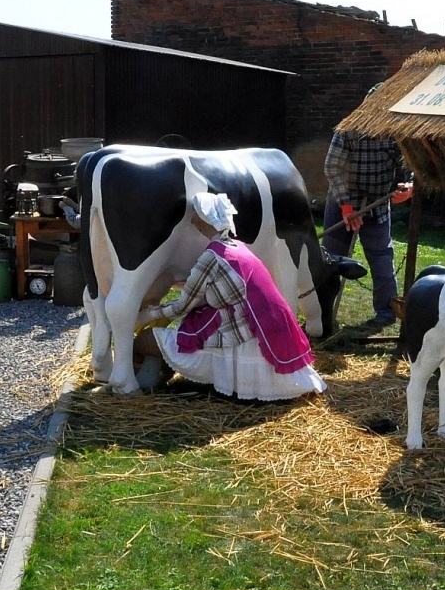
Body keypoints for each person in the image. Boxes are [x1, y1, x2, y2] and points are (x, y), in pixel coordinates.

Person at [134, 192, 327, 401]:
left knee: (144, 341)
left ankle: (143, 384)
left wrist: (147, 315)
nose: (192, 218)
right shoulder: (239, 248)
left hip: (241, 331)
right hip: (266, 326)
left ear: (203, 220)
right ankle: (160, 379)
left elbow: (182, 305)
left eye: (196, 214)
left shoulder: (211, 258)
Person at [322, 107, 414, 327]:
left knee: (382, 260)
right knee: (331, 259)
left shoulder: (396, 132)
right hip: (342, 204)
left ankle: (386, 313)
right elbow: (332, 167)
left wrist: (409, 186)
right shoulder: (347, 131)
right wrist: (346, 206)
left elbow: (410, 165)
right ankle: (322, 313)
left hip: (377, 204)